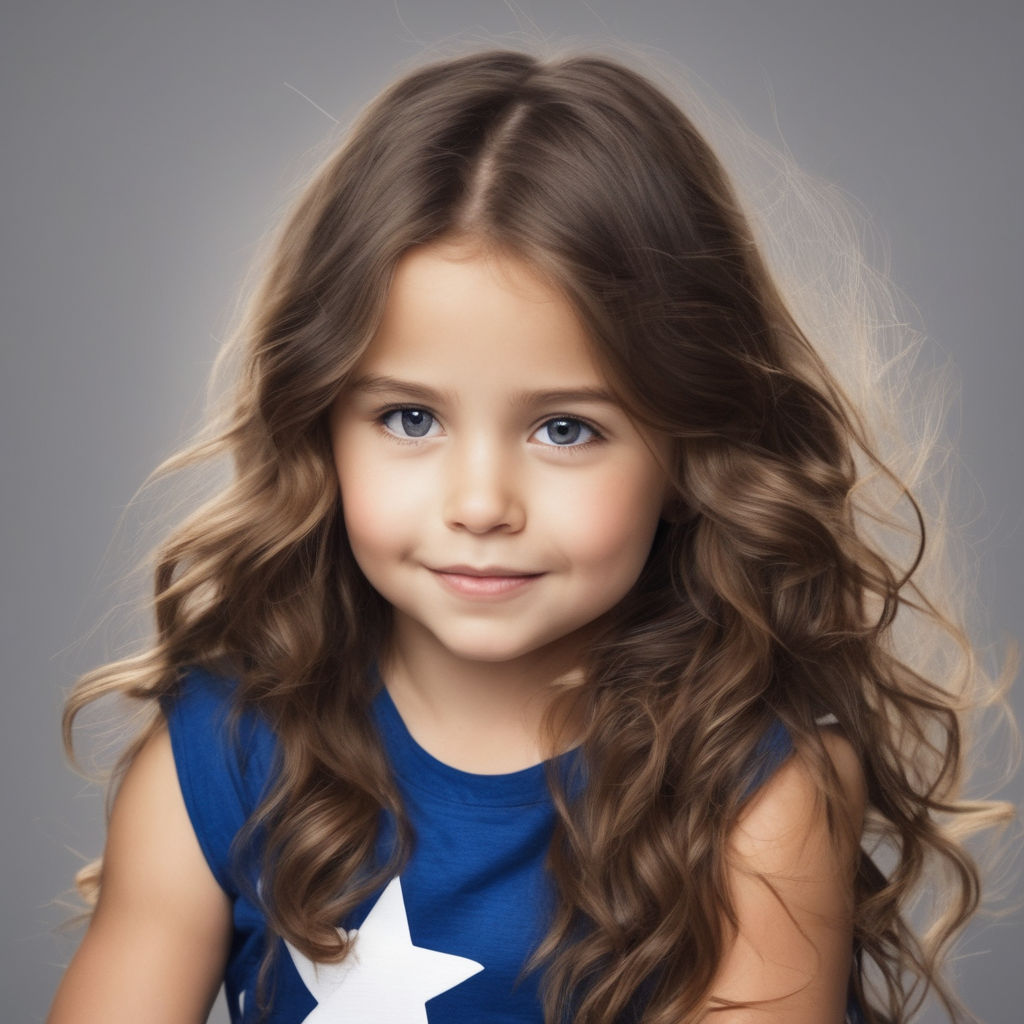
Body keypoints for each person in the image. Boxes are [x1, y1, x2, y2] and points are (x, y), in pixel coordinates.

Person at [47, 46, 1014, 1024]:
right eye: (409, 418)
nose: (479, 502)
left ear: (687, 453)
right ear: (319, 424)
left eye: (566, 429)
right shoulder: (219, 754)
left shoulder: (754, 791)